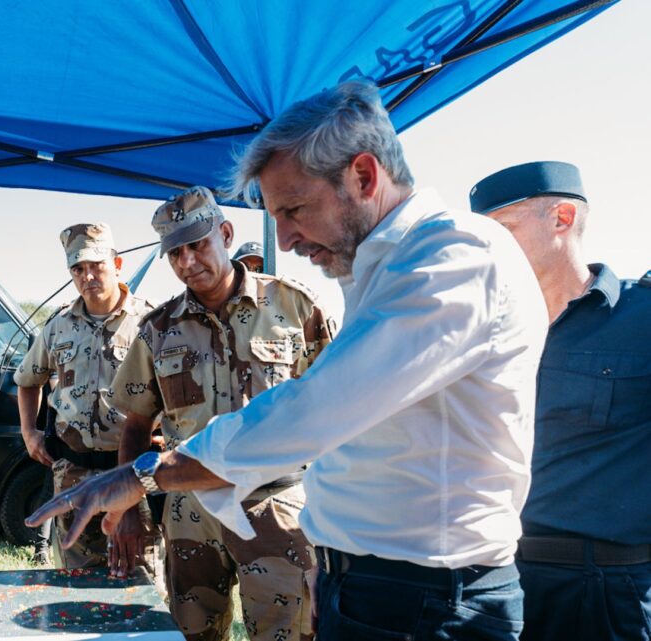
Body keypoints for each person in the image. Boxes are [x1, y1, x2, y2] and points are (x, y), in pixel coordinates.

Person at [28, 79, 548, 641]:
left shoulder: (452, 260)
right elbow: (357, 445)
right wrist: (332, 572)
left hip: (428, 597)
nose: (286, 237)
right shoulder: (376, 270)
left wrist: (148, 474)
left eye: (295, 208)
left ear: (364, 176)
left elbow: (316, 409)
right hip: (367, 580)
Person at [110, 186, 334, 641]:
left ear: (226, 234)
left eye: (198, 245)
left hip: (277, 507)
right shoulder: (158, 329)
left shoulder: (295, 308)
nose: (187, 262)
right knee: (192, 634)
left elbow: (341, 409)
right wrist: (131, 507)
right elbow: (135, 425)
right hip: (191, 514)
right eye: (175, 253)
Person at [470, 161, 651, 641]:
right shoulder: (476, 330)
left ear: (563, 218)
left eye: (504, 229)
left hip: (605, 591)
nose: (489, 248)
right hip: (485, 583)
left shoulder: (644, 319)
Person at [13, 223, 162, 577]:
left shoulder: (150, 322)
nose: (88, 276)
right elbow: (27, 380)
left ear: (117, 264)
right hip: (73, 472)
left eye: (96, 265)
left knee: (141, 576)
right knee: (76, 578)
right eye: (78, 269)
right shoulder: (58, 325)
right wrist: (28, 433)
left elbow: (174, 389)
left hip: (133, 472)